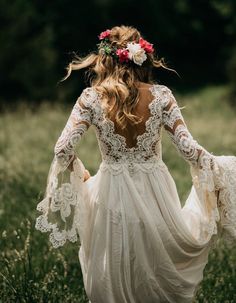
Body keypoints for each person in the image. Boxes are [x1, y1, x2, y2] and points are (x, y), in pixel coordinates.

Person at [35, 25, 236, 303]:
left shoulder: (90, 98)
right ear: (141, 56)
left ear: (105, 57)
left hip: (110, 192)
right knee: (156, 267)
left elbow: (62, 149)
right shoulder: (162, 96)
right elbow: (190, 150)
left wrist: (80, 173)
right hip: (155, 193)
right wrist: (223, 167)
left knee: (115, 266)